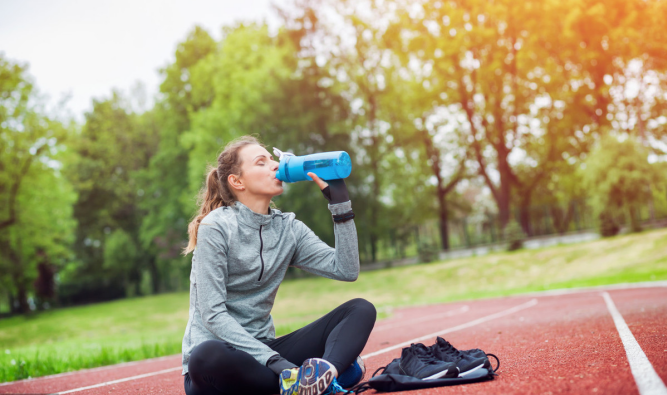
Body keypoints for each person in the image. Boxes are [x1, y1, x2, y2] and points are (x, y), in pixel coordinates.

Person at [181, 136, 376, 395]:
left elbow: (346, 269)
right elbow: (213, 315)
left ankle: (314, 379)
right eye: (261, 162)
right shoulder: (216, 227)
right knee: (207, 355)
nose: (275, 165)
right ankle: (308, 380)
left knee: (360, 309)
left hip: (267, 353)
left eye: (273, 159)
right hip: (224, 362)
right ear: (237, 181)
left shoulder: (288, 228)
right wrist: (279, 363)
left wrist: (340, 205)